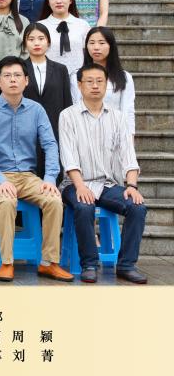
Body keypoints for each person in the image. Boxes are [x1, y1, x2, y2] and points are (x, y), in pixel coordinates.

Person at [0, 56, 72, 282]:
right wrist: (0, 180)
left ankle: (49, 263)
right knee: (6, 201)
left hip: (28, 177)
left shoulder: (36, 110)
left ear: (26, 81)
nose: (13, 80)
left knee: (54, 200)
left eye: (18, 75)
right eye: (7, 76)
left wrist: (50, 178)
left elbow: (50, 144)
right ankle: (7, 262)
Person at [59, 63, 147, 284]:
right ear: (80, 85)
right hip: (74, 184)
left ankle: (126, 265)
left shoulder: (118, 117)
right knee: (84, 206)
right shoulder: (67, 116)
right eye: (89, 81)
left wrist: (132, 186)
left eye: (100, 81)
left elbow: (128, 155)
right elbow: (68, 157)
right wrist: (80, 186)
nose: (95, 86)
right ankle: (89, 264)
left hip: (108, 185)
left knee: (137, 207)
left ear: (107, 84)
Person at [21, 23, 73, 178]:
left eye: (41, 38)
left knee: (53, 174)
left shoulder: (60, 69)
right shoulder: (19, 69)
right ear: (25, 43)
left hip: (54, 128)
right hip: (25, 129)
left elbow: (67, 102)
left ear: (48, 42)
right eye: (31, 39)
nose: (36, 43)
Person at [71, 26, 135, 134]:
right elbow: (75, 106)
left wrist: (129, 139)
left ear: (111, 46)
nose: (96, 47)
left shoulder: (124, 77)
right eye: (92, 43)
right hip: (85, 133)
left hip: (114, 133)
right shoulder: (76, 75)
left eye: (101, 43)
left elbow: (127, 111)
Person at [37, 0, 90, 76]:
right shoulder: (40, 26)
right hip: (49, 77)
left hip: (78, 78)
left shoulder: (83, 25)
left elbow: (89, 53)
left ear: (71, 0)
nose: (58, 1)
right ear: (48, 2)